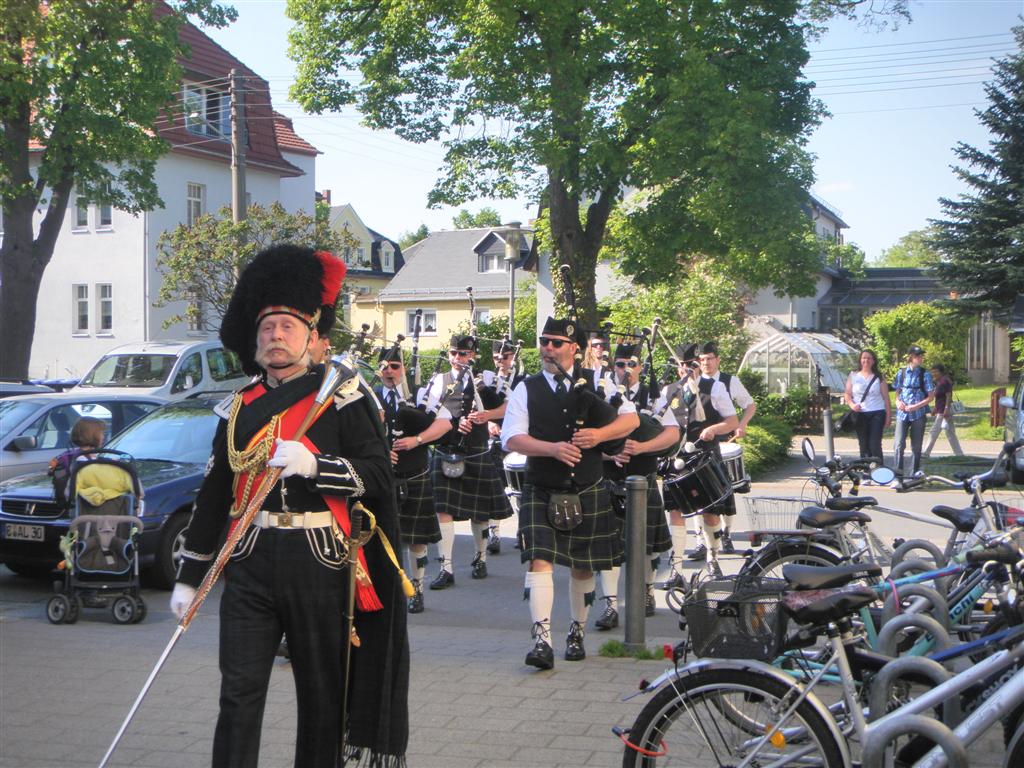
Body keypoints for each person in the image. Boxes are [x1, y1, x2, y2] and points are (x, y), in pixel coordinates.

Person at [169, 245, 409, 768]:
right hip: (251, 561)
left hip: (320, 560)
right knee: (237, 693)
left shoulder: (344, 398)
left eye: (287, 328)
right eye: (267, 328)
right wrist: (191, 576)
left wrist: (316, 465)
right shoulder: (239, 407)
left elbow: (378, 478)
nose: (276, 337)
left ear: (311, 337)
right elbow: (214, 493)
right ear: (254, 341)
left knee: (323, 700)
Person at [502, 316, 638, 669]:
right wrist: (552, 449)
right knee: (540, 560)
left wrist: (598, 436)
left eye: (556, 343)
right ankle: (542, 640)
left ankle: (576, 632)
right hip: (542, 487)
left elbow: (631, 420)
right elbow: (512, 438)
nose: (548, 348)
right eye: (544, 341)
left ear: (573, 348)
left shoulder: (597, 382)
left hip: (588, 486)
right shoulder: (525, 388)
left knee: (582, 567)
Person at [593, 341, 678, 630]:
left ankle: (647, 591)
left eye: (631, 364)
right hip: (608, 478)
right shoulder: (601, 394)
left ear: (640, 367)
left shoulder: (654, 397)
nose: (625, 370)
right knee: (608, 545)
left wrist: (641, 447)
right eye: (619, 364)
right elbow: (586, 435)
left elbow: (672, 435)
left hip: (643, 476)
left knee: (647, 546)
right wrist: (609, 452)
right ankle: (610, 605)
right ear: (612, 366)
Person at [424, 334, 512, 588]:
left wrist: (488, 415)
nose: (456, 358)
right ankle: (446, 567)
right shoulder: (439, 381)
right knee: (443, 510)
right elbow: (429, 413)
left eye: (462, 354)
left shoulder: (486, 378)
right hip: (446, 449)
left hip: (476, 451)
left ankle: (480, 558)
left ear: (472, 355)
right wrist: (453, 423)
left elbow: (510, 405)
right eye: (453, 353)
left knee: (480, 513)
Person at [376, 346, 453, 614]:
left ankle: (416, 588)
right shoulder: (369, 396)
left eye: (395, 366)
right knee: (381, 536)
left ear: (403, 369)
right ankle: (386, 589)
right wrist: (380, 453)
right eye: (384, 366)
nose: (389, 371)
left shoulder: (421, 395)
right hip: (382, 477)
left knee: (416, 538)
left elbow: (444, 425)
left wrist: (417, 440)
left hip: (415, 473)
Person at [689, 342, 753, 558]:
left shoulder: (728, 381)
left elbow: (749, 405)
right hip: (699, 447)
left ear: (717, 360)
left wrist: (741, 425)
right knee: (699, 494)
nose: (705, 363)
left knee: (725, 493)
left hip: (724, 443)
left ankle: (726, 533)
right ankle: (700, 540)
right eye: (702, 359)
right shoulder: (692, 384)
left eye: (709, 358)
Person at [472, 339, 525, 554]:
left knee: (520, 487)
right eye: (497, 357)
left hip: (517, 436)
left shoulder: (523, 380)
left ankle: (523, 530)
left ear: (513, 356)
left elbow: (520, 409)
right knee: (495, 485)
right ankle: (495, 532)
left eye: (505, 357)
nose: (501, 361)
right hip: (492, 437)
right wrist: (490, 423)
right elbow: (478, 406)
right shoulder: (486, 379)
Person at [893, 344, 935, 477]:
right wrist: (897, 402)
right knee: (898, 444)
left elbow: (930, 397)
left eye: (921, 356)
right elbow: (897, 391)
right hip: (902, 413)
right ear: (911, 357)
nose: (920, 358)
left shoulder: (925, 373)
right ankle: (898, 475)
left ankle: (914, 474)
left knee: (916, 446)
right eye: (917, 356)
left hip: (918, 414)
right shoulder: (902, 372)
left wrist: (916, 406)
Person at [843, 349, 891, 463]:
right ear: (860, 360)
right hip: (860, 414)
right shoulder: (853, 375)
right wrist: (851, 404)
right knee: (863, 443)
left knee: (874, 443)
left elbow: (886, 398)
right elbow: (847, 394)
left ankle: (879, 470)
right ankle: (866, 471)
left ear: (873, 361)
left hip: (877, 412)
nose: (866, 360)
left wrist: (889, 416)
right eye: (864, 358)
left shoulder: (879, 377)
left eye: (869, 358)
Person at [49, 417, 106, 505]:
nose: (103, 436)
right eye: (101, 433)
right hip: (86, 506)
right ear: (92, 435)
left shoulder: (72, 455)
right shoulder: (84, 459)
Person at [923, 363, 964, 458]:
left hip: (944, 412)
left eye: (935, 371)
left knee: (933, 432)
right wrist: (935, 409)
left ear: (941, 372)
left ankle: (925, 453)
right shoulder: (940, 382)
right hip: (941, 410)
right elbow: (939, 398)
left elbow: (948, 396)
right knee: (950, 433)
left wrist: (946, 409)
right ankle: (959, 454)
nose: (933, 374)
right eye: (932, 372)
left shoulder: (944, 381)